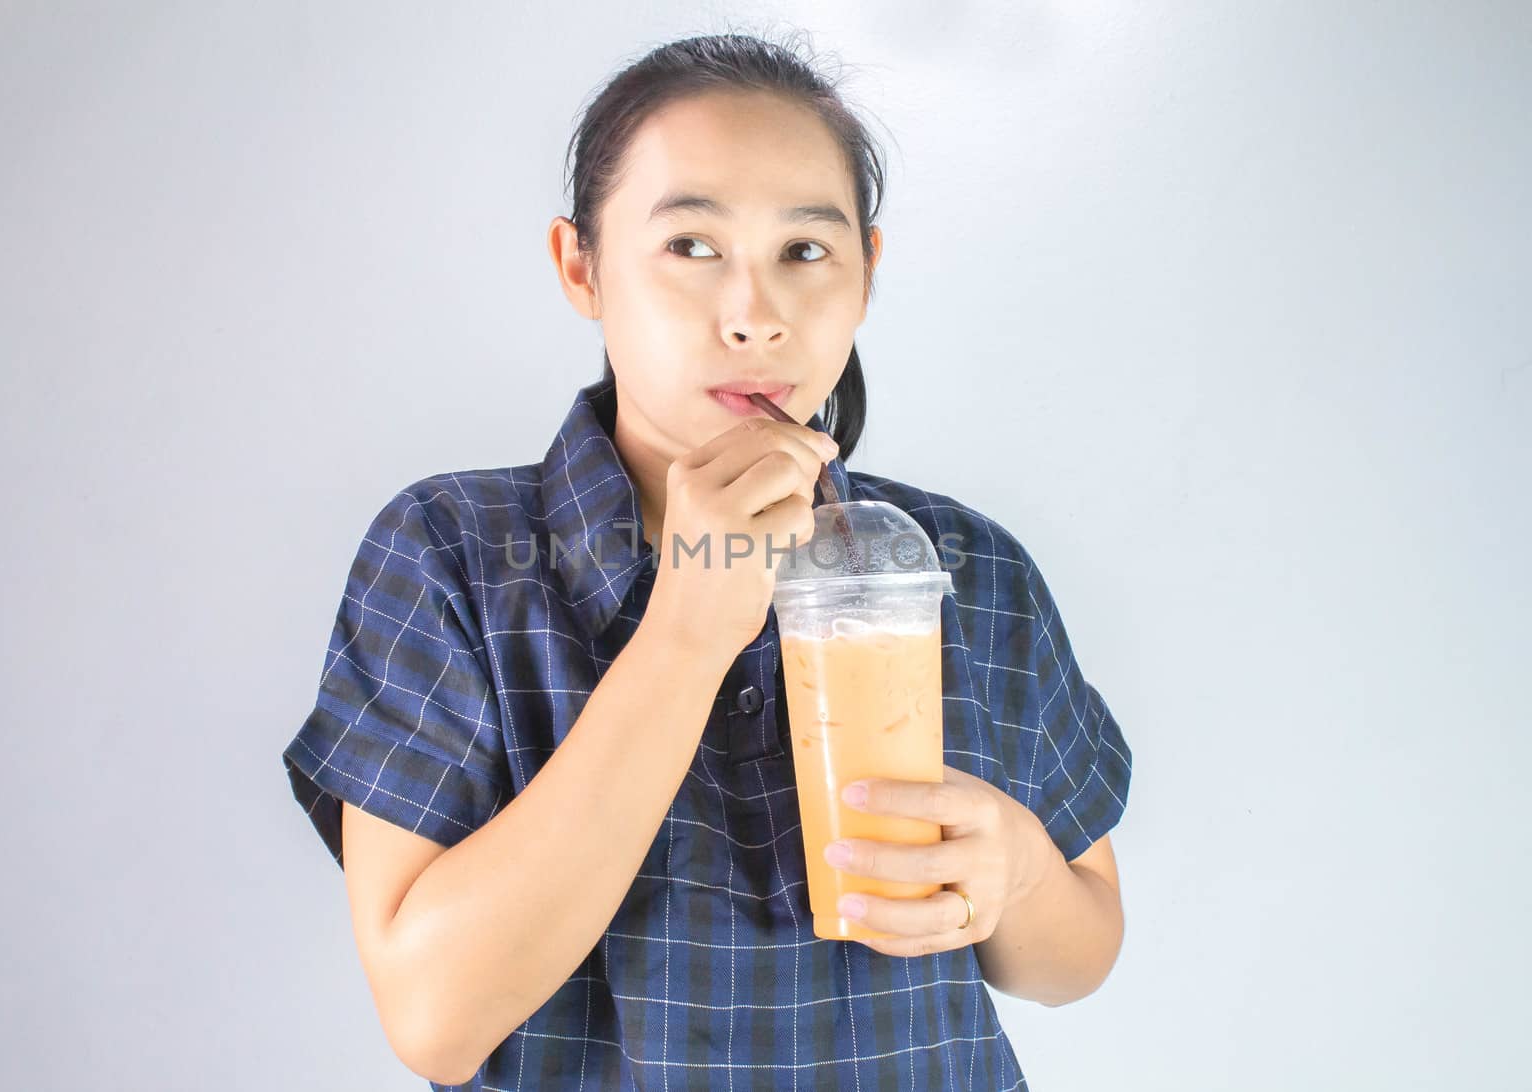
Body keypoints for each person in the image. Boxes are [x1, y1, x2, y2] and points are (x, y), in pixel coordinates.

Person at [281, 31, 1132, 1091]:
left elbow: (1079, 953)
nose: (755, 317)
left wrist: (1014, 877)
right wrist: (687, 633)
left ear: (868, 272)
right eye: (690, 247)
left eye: (805, 252)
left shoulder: (968, 566)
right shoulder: (456, 555)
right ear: (580, 267)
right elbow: (433, 1018)